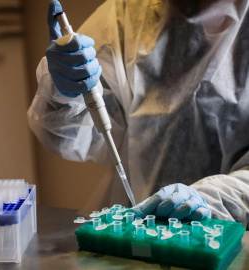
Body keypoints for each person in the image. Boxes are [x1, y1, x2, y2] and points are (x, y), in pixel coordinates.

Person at [28, 0, 249, 226]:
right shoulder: (128, 16)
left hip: (236, 236)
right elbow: (67, 140)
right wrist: (63, 95)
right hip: (139, 227)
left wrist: (212, 200)